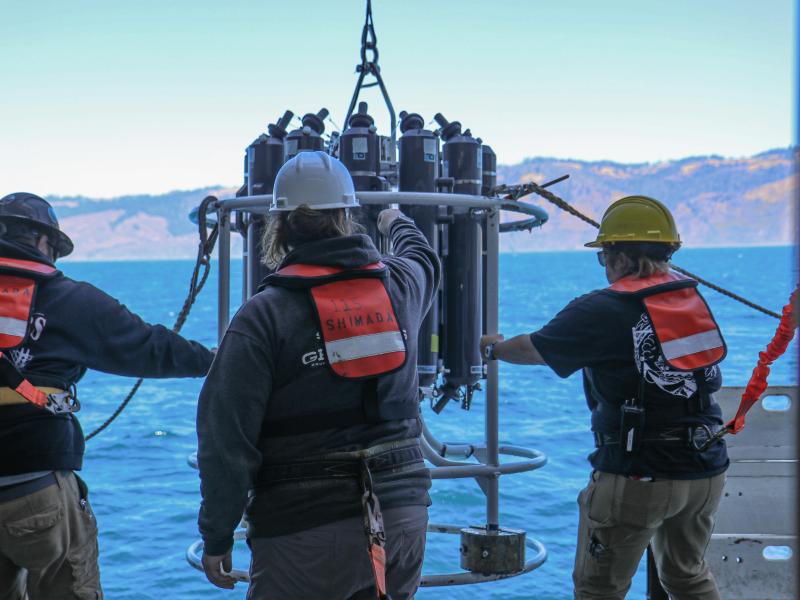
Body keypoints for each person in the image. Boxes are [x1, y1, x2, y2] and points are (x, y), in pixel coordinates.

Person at [196, 151, 440, 600]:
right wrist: (393, 219)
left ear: (279, 226)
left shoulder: (263, 316)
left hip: (303, 532)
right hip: (402, 518)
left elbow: (225, 438)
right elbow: (424, 258)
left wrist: (217, 534)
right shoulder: (400, 288)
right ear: (347, 218)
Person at [480, 195, 729, 600]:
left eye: (604, 256)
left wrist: (493, 349)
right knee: (688, 578)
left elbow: (536, 349)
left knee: (599, 589)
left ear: (618, 257)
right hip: (705, 470)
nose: (605, 266)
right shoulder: (690, 301)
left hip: (639, 473)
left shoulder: (603, 308)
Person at [0, 192, 215, 600]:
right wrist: (213, 360)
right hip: (36, 487)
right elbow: (147, 346)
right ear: (44, 243)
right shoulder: (67, 299)